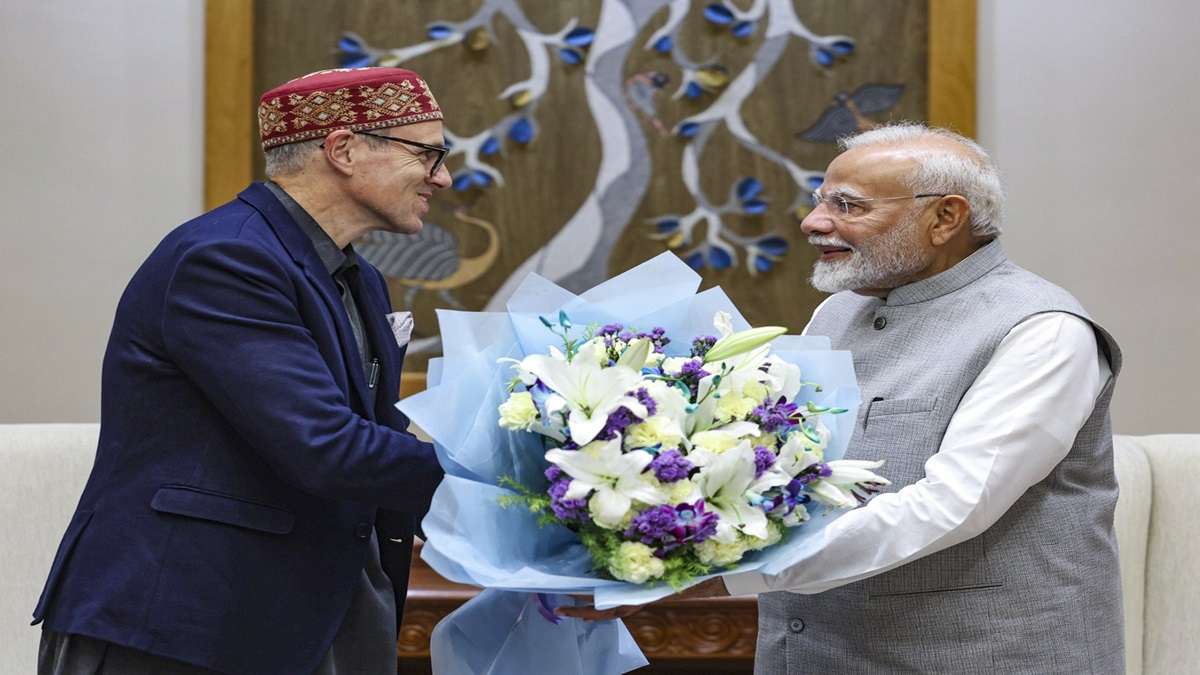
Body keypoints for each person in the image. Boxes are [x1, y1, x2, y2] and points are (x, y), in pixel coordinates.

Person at [562, 123, 1123, 673]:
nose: (813, 222)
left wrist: (708, 569)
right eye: (820, 200)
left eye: (849, 206)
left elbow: (952, 505)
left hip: (983, 655)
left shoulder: (1045, 330)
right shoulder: (838, 311)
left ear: (945, 218)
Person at [32, 67, 451, 675]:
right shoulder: (226, 258)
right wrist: (518, 479)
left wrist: (549, 536)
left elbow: (379, 439)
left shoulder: (360, 277)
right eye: (428, 152)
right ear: (344, 149)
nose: (442, 176)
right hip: (182, 627)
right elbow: (327, 447)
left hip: (310, 613)